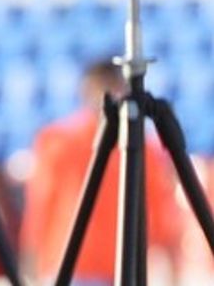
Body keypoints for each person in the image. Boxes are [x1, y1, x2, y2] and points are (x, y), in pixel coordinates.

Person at [19, 58, 183, 284]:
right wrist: (31, 262)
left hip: (118, 268)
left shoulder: (144, 150)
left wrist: (169, 264)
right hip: (70, 265)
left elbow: (159, 214)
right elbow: (40, 207)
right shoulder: (56, 142)